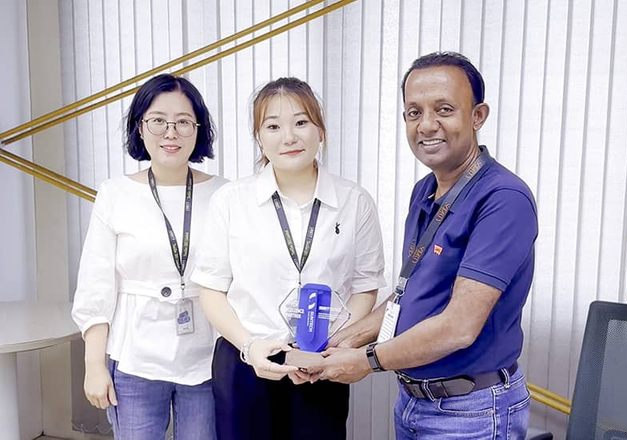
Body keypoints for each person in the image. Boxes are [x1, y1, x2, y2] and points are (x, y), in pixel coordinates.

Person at [306, 52, 538, 439]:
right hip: (414, 402)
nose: (427, 125)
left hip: (471, 412)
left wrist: (366, 360)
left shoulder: (503, 198)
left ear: (478, 116)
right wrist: (340, 342)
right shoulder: (425, 190)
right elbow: (407, 294)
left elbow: (458, 328)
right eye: (414, 112)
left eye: (444, 109)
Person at [191, 77, 386, 440]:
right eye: (273, 126)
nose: (289, 137)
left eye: (301, 122)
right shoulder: (232, 201)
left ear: (320, 130)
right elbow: (212, 290)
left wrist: (333, 346)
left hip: (321, 363)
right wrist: (250, 346)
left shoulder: (354, 201)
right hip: (246, 360)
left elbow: (365, 286)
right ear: (259, 137)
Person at [71, 73, 227, 439]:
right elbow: (96, 285)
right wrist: (94, 363)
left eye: (183, 122)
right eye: (157, 120)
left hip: (206, 358)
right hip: (135, 357)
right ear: (140, 128)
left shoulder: (225, 194)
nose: (170, 132)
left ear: (198, 130)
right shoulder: (115, 193)